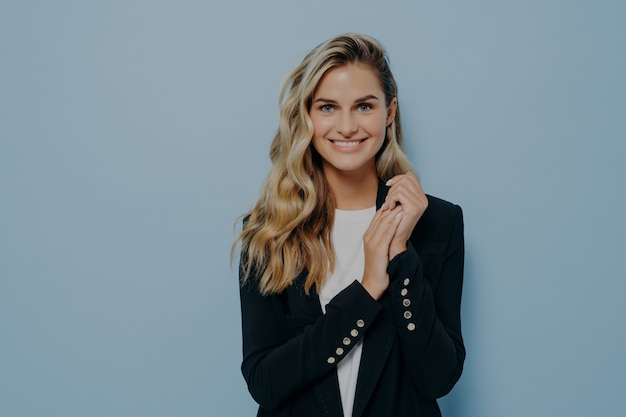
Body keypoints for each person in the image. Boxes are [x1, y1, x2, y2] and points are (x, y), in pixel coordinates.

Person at [235, 33, 465, 417]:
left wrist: (401, 257)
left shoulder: (439, 223)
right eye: (327, 107)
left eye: (363, 106)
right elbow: (265, 382)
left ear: (389, 112)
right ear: (306, 114)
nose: (346, 126)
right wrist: (368, 289)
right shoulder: (269, 230)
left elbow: (438, 378)